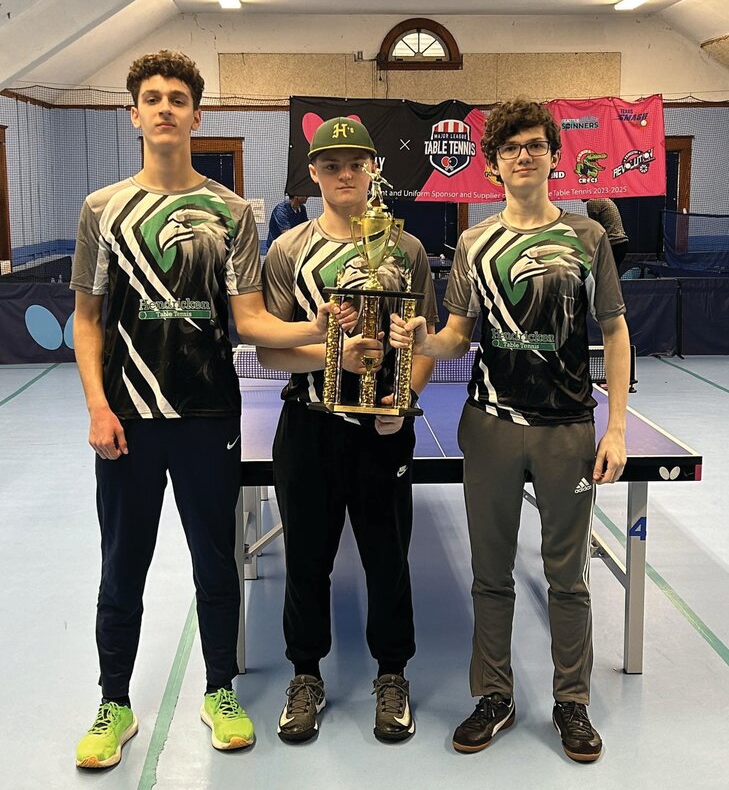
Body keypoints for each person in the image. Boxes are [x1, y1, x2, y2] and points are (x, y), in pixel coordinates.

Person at [71, 50, 349, 769]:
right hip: (127, 421)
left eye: (177, 99)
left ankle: (219, 690)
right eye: (151, 98)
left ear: (196, 116)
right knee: (121, 568)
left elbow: (251, 322)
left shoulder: (231, 213)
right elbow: (89, 318)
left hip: (207, 419)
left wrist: (319, 332)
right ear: (134, 114)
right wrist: (98, 406)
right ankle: (114, 704)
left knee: (214, 566)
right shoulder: (102, 210)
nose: (164, 108)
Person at [390, 99, 631, 763]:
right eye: (509, 148)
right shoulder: (473, 243)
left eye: (533, 145)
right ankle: (492, 696)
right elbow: (458, 337)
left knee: (567, 577)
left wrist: (615, 429)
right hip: (490, 427)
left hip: (567, 431)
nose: (522, 156)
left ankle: (571, 702)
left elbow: (613, 330)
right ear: (493, 165)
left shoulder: (586, 238)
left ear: (553, 154)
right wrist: (422, 338)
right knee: (490, 575)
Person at [257, 117, 438, 744]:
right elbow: (271, 352)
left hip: (383, 432)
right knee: (306, 560)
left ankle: (392, 676)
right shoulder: (287, 251)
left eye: (354, 164)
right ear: (313, 174)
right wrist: (332, 352)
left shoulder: (406, 250)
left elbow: (425, 345)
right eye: (330, 165)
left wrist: (404, 396)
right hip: (308, 427)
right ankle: (306, 676)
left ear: (372, 169)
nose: (343, 175)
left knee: (388, 559)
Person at [583, 197, 629, 272]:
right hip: (621, 242)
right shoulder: (603, 199)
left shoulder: (592, 202)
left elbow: (595, 228)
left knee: (606, 275)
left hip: (613, 243)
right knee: (612, 275)